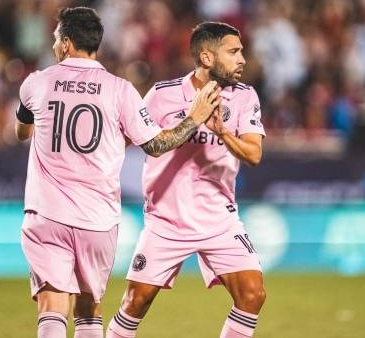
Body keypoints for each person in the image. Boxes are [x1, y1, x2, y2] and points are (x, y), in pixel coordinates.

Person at [15, 7, 220, 338]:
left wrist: (33, 127)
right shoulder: (120, 90)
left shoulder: (37, 83)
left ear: (66, 43)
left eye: (56, 38)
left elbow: (21, 131)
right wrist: (194, 118)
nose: (54, 44)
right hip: (98, 220)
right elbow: (156, 145)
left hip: (47, 213)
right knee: (88, 310)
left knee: (52, 307)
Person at [106, 22, 266, 338]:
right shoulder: (162, 96)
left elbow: (254, 154)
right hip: (167, 221)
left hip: (220, 219)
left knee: (253, 294)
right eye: (233, 52)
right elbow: (128, 140)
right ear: (207, 58)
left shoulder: (244, 97)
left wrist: (221, 130)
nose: (242, 59)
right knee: (135, 301)